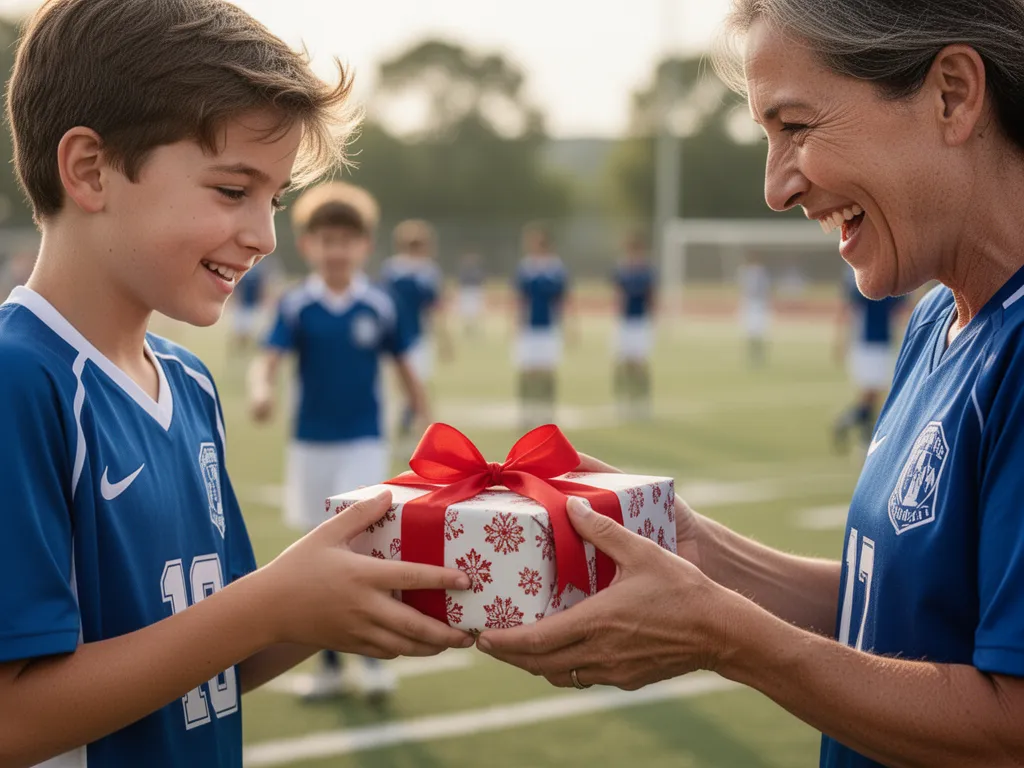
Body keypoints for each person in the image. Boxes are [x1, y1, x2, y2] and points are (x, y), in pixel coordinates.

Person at [477, 2, 1024, 766]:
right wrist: (702, 552)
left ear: (953, 95)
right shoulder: (939, 322)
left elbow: (1010, 731)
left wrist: (726, 637)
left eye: (795, 127)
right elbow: (900, 613)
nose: (775, 187)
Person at [0, 2, 472, 765]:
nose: (265, 236)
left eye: (275, 199)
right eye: (232, 190)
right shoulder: (20, 381)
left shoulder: (188, 385)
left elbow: (213, 659)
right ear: (90, 170)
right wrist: (271, 602)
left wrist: (374, 583)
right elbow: (10, 720)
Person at [248, 181, 427, 702]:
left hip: (363, 443)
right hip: (310, 444)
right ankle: (327, 666)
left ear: (364, 246)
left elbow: (405, 367)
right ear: (308, 246)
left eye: (346, 241)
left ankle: (373, 663)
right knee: (316, 554)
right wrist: (262, 392)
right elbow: (269, 359)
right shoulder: (297, 306)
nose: (336, 251)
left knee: (364, 550)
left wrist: (424, 416)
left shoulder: (380, 304)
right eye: (326, 241)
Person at [380, 219, 449, 439]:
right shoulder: (424, 272)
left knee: (406, 385)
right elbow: (434, 308)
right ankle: (419, 429)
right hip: (413, 336)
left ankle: (409, 425)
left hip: (405, 337)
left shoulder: (392, 269)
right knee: (415, 386)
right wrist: (444, 339)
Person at [833, 267, 907, 451]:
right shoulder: (861, 278)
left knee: (873, 397)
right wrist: (841, 340)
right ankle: (854, 433)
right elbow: (848, 309)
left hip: (884, 342)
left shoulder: (893, 277)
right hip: (866, 344)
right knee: (869, 395)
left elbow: (901, 308)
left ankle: (856, 434)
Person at [514, 223, 570, 430]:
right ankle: (526, 410)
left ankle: (548, 411)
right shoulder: (526, 268)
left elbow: (562, 299)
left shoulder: (555, 269)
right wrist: (515, 323)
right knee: (526, 370)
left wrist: (568, 325)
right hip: (529, 327)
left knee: (548, 370)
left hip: (548, 327)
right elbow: (520, 299)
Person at [611, 231, 656, 419]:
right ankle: (624, 398)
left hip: (640, 321)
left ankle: (642, 399)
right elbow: (618, 295)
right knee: (622, 362)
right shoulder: (622, 270)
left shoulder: (646, 271)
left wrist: (654, 319)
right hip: (625, 321)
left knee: (640, 362)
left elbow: (651, 296)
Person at [230, 252, 279, 354]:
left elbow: (263, 286)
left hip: (254, 304)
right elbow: (237, 287)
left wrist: (264, 300)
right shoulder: (244, 269)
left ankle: (252, 349)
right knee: (240, 331)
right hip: (243, 304)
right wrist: (236, 300)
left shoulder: (259, 270)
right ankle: (238, 349)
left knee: (254, 330)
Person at [737, 253, 772, 366]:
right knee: (750, 331)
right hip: (750, 304)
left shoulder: (762, 273)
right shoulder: (745, 273)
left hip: (759, 304)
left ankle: (759, 354)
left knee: (759, 331)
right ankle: (752, 354)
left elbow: (765, 289)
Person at [456, 249, 486, 337]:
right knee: (466, 311)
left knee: (476, 310)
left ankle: (475, 328)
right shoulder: (464, 271)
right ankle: (468, 328)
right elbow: (461, 281)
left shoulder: (477, 270)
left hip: (475, 291)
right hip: (466, 291)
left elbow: (481, 280)